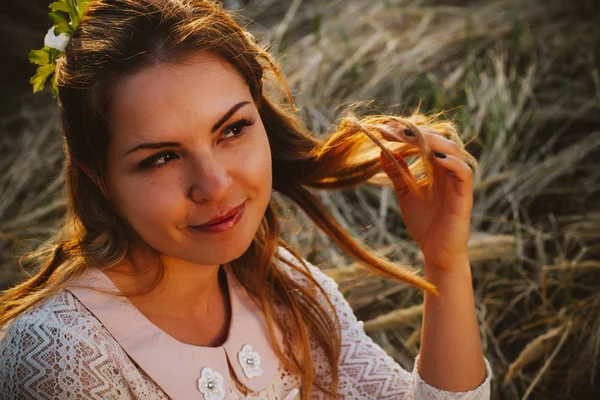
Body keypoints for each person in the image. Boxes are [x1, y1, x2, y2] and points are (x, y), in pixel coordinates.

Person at [0, 0, 493, 399]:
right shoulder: (64, 358)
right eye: (161, 158)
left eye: (232, 129)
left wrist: (444, 261)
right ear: (98, 176)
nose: (214, 185)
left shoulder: (282, 284)